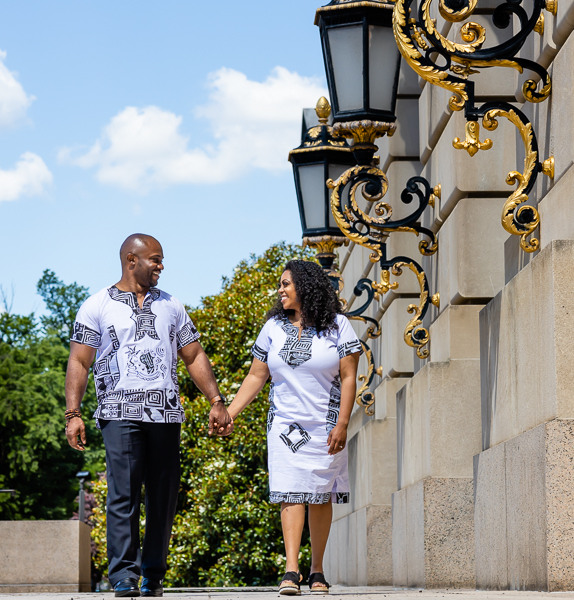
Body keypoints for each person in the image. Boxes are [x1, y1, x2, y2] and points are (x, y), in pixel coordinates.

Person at [64, 233, 232, 598]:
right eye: (154, 259)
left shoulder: (171, 305)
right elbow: (79, 360)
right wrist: (73, 413)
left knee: (162, 496)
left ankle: (153, 573)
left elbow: (193, 354)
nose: (160, 266)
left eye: (160, 260)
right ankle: (123, 575)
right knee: (123, 494)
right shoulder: (96, 305)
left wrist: (216, 400)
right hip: (118, 411)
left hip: (166, 414)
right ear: (130, 260)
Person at [220, 259, 361, 595]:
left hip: (325, 425)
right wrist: (230, 413)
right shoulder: (272, 328)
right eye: (280, 285)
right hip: (284, 425)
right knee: (290, 492)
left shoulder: (339, 326)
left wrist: (343, 424)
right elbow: (257, 375)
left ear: (305, 286)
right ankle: (291, 570)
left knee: (320, 493)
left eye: (286, 284)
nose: (280, 290)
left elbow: (349, 377)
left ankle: (317, 571)